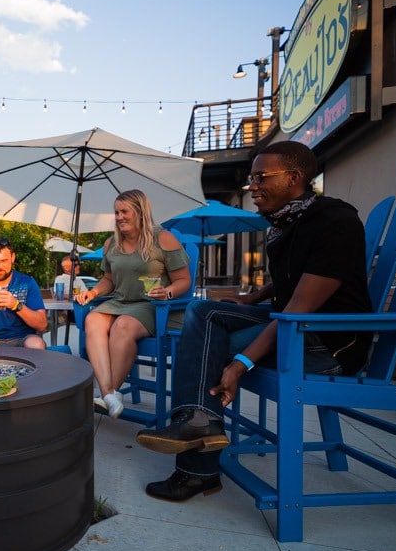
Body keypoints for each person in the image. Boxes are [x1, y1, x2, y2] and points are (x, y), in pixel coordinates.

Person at [135, 141, 373, 502]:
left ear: (295, 178)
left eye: (262, 177)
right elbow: (294, 281)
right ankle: (200, 424)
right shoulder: (288, 224)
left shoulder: (335, 221)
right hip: (294, 325)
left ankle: (196, 465)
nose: (253, 186)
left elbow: (299, 307)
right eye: (252, 178)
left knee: (206, 347)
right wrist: (252, 297)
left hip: (328, 341)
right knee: (204, 310)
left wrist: (241, 364)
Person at [74, 190, 193, 419]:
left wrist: (166, 292)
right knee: (93, 319)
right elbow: (108, 279)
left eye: (124, 211)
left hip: (152, 305)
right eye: (116, 212)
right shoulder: (111, 244)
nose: (119, 217)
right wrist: (94, 292)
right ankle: (110, 394)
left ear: (140, 212)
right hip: (119, 301)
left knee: (122, 326)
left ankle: (106, 393)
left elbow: (183, 281)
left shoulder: (163, 239)